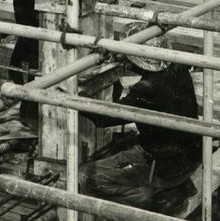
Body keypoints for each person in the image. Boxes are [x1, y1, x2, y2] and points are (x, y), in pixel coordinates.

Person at [79, 22, 202, 216]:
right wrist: (122, 56)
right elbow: (149, 67)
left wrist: (75, 98)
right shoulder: (178, 66)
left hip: (165, 164)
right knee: (121, 145)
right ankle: (173, 187)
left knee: (86, 176)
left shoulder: (146, 89)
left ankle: (148, 196)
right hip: (190, 155)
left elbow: (103, 119)